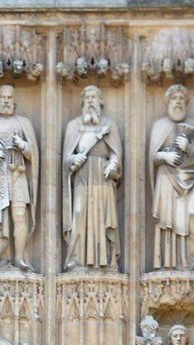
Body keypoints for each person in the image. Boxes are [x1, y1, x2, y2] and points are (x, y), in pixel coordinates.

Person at [62, 85, 123, 271]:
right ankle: (77, 259)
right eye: (87, 97)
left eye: (94, 97)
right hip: (82, 176)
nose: (90, 100)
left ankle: (107, 261)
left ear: (100, 102)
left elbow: (116, 153)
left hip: (102, 176)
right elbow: (66, 158)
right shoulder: (73, 125)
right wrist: (73, 159)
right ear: (82, 101)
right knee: (80, 215)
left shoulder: (108, 125)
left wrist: (113, 164)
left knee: (104, 216)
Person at [0, 84, 38, 270]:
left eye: (9, 98)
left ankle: (19, 258)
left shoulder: (23, 123)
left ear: (15, 102)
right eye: (2, 97)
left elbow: (33, 154)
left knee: (20, 215)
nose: (6, 101)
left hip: (17, 174)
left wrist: (23, 145)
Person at [150, 84, 194, 271]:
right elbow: (153, 156)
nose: (178, 102)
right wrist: (164, 156)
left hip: (190, 180)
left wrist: (188, 148)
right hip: (167, 177)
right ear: (168, 102)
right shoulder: (159, 126)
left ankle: (192, 258)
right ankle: (168, 262)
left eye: (182, 99)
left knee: (190, 214)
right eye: (174, 98)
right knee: (168, 221)